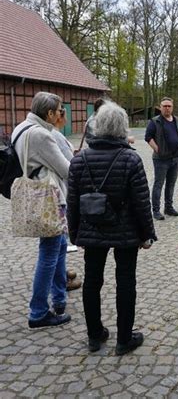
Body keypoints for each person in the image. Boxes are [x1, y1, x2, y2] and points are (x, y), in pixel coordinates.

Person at [67, 101, 157, 355]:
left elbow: (72, 203)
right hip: (125, 232)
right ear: (122, 128)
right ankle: (124, 339)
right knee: (125, 281)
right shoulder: (130, 158)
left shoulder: (79, 160)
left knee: (92, 282)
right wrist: (146, 234)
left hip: (92, 229)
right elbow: (141, 201)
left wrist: (74, 234)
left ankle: (94, 336)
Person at [12, 92, 71, 329]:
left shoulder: (21, 128)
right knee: (49, 253)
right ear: (49, 113)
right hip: (49, 199)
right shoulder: (40, 135)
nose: (60, 115)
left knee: (59, 247)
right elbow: (66, 169)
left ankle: (59, 297)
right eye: (59, 111)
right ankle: (38, 312)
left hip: (39, 193)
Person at [145, 97, 178, 220]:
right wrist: (157, 149)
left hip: (175, 158)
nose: (167, 108)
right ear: (160, 107)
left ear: (172, 107)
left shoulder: (177, 120)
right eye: (164, 106)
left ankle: (168, 208)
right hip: (161, 159)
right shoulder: (155, 121)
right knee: (159, 184)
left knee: (171, 184)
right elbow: (148, 137)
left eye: (169, 106)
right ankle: (156, 210)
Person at [52, 109, 82, 291]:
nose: (65, 116)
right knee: (58, 242)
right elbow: (68, 166)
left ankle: (61, 274)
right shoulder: (53, 135)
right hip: (61, 191)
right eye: (61, 112)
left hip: (60, 190)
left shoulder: (55, 134)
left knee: (60, 241)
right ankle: (60, 280)